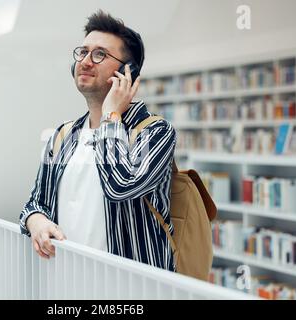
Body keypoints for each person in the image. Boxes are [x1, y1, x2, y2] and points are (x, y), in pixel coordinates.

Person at [19, 10, 177, 272]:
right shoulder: (62, 137)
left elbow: (121, 186)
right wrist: (36, 222)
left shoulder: (155, 132)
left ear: (126, 73)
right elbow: (35, 203)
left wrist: (111, 115)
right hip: (68, 283)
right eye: (82, 52)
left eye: (100, 54)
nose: (86, 61)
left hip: (131, 290)